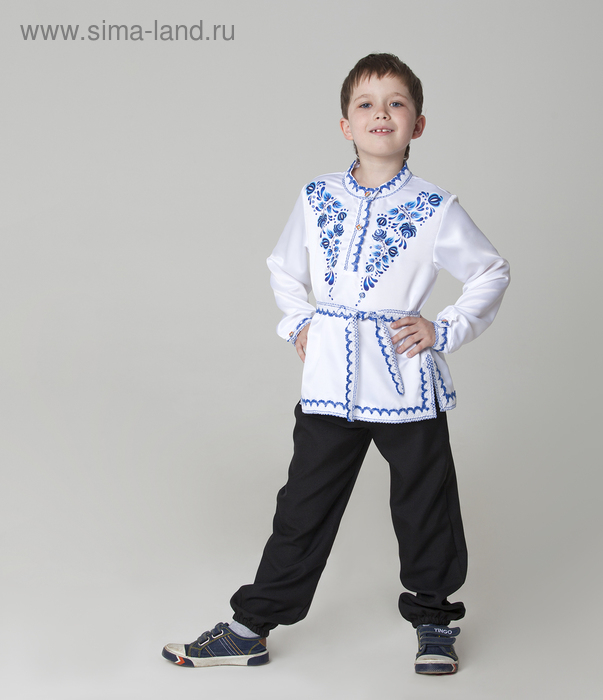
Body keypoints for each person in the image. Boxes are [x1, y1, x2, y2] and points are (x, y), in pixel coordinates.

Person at [162, 53, 510, 675]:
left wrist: (445, 328)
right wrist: (299, 323)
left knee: (425, 504)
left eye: (397, 103)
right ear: (346, 123)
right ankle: (250, 629)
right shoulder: (317, 195)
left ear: (418, 124)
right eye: (366, 104)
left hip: (403, 381)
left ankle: (433, 620)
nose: (382, 113)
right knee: (303, 505)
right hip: (329, 382)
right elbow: (283, 267)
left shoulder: (435, 206)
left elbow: (490, 270)